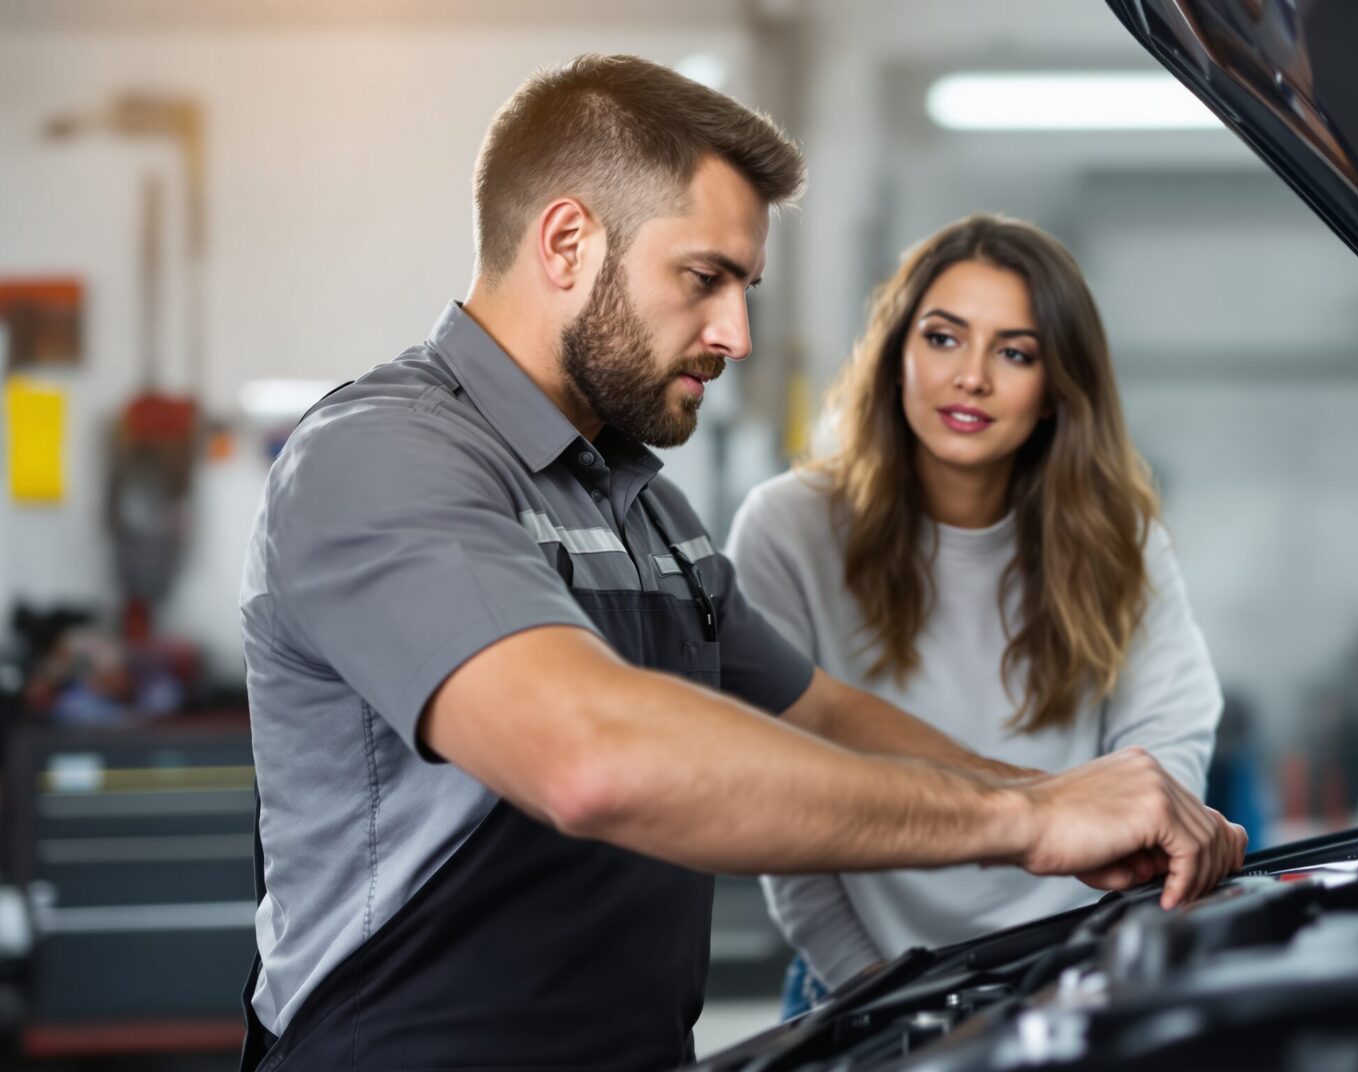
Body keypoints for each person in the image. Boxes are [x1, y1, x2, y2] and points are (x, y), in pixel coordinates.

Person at [237, 55, 1244, 1071]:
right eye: (705, 278)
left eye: (745, 287)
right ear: (568, 241)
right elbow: (593, 759)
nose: (737, 333)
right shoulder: (381, 458)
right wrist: (1023, 818)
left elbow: (822, 715)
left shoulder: (650, 513)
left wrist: (1074, 801)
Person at [729, 215, 1224, 1011]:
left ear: (1059, 390)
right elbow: (784, 805)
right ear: (897, 358)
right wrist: (883, 999)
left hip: (1073, 980)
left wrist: (1090, 975)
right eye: (944, 338)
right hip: (858, 986)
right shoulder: (787, 527)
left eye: (1015, 352)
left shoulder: (1118, 537)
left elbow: (1164, 751)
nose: (972, 377)